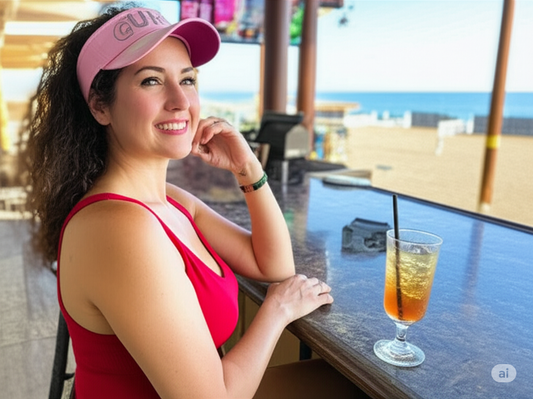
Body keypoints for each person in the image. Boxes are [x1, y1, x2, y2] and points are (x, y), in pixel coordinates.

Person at [24, 5, 358, 399]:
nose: (181, 100)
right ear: (100, 105)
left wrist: (247, 167)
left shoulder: (168, 201)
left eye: (188, 79)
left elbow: (273, 265)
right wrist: (277, 311)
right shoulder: (118, 226)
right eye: (151, 81)